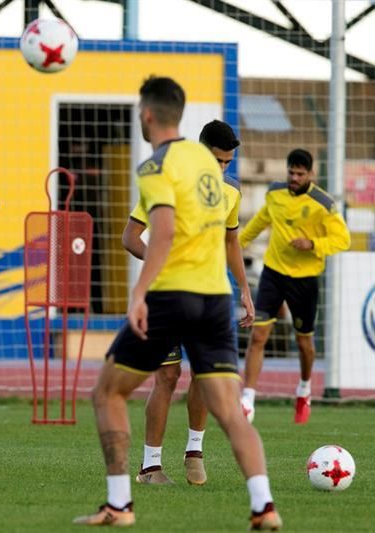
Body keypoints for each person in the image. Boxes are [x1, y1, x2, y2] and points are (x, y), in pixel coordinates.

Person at [73, 77, 281, 530]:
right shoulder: (208, 167)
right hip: (215, 301)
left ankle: (119, 505)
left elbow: (161, 232)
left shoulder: (156, 167)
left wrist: (140, 291)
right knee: (228, 407)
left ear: (147, 115)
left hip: (173, 295)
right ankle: (264, 506)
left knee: (107, 392)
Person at [121, 120, 254, 486]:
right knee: (167, 376)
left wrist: (244, 288)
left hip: (208, 297)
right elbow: (131, 237)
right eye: (216, 160)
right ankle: (150, 467)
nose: (221, 168)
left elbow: (231, 242)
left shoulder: (230, 192)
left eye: (228, 163)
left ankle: (194, 452)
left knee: (205, 375)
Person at [239, 149, 350, 424]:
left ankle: (304, 389)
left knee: (304, 344)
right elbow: (259, 222)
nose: (294, 177)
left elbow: (343, 239)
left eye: (300, 173)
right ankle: (247, 400)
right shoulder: (274, 194)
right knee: (258, 336)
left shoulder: (323, 203)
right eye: (291, 172)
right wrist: (235, 244)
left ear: (310, 174)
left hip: (304, 280)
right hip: (273, 274)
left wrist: (312, 244)